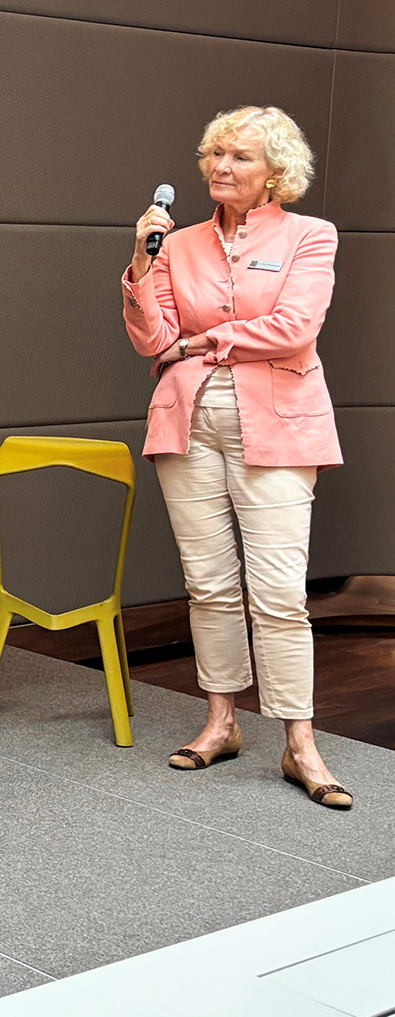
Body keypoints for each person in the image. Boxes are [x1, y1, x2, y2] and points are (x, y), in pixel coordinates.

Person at [124, 106, 350, 808]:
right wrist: (140, 262)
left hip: (279, 424)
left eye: (240, 157)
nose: (221, 166)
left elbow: (293, 329)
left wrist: (197, 344)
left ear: (274, 172)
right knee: (210, 585)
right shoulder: (178, 243)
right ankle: (221, 722)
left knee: (280, 594)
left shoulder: (312, 237)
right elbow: (149, 336)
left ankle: (300, 743)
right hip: (184, 425)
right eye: (215, 153)